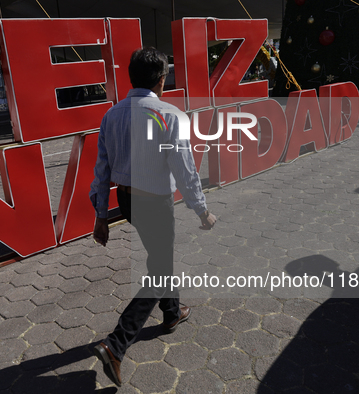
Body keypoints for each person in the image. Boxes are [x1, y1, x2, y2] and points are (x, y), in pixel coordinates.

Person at [89, 47, 216, 387]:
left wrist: (101, 216)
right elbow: (184, 169)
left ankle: (173, 313)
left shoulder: (111, 115)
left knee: (160, 259)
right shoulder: (169, 114)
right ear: (162, 80)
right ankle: (115, 345)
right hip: (155, 203)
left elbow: (101, 169)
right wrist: (201, 209)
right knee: (160, 269)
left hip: (126, 202)